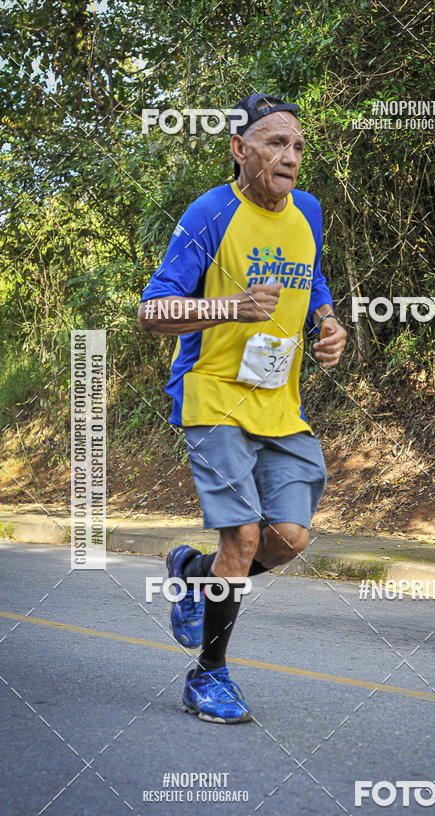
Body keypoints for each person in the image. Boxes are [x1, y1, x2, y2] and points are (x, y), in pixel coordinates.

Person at [139, 93, 346, 723]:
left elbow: (312, 277)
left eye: (298, 146)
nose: (291, 156)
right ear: (239, 148)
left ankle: (191, 572)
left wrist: (326, 321)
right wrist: (228, 306)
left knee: (287, 539)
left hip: (280, 402)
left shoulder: (308, 210)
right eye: (276, 143)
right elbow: (153, 311)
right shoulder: (209, 214)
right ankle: (208, 675)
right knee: (244, 535)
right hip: (213, 394)